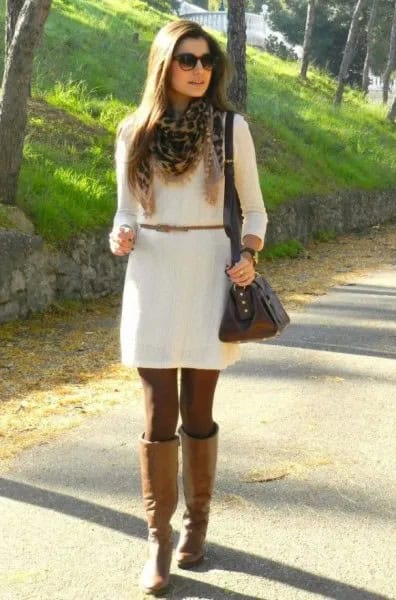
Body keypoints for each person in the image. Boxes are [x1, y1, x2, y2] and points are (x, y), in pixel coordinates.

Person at [109, 19, 268, 595]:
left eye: (206, 61)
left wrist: (248, 253)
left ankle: (196, 524)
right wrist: (119, 237)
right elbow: (126, 213)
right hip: (151, 276)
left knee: (196, 414)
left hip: (208, 277)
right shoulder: (134, 132)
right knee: (157, 416)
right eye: (187, 60)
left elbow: (255, 213)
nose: (200, 70)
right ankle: (158, 537)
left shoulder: (231, 129)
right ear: (164, 65)